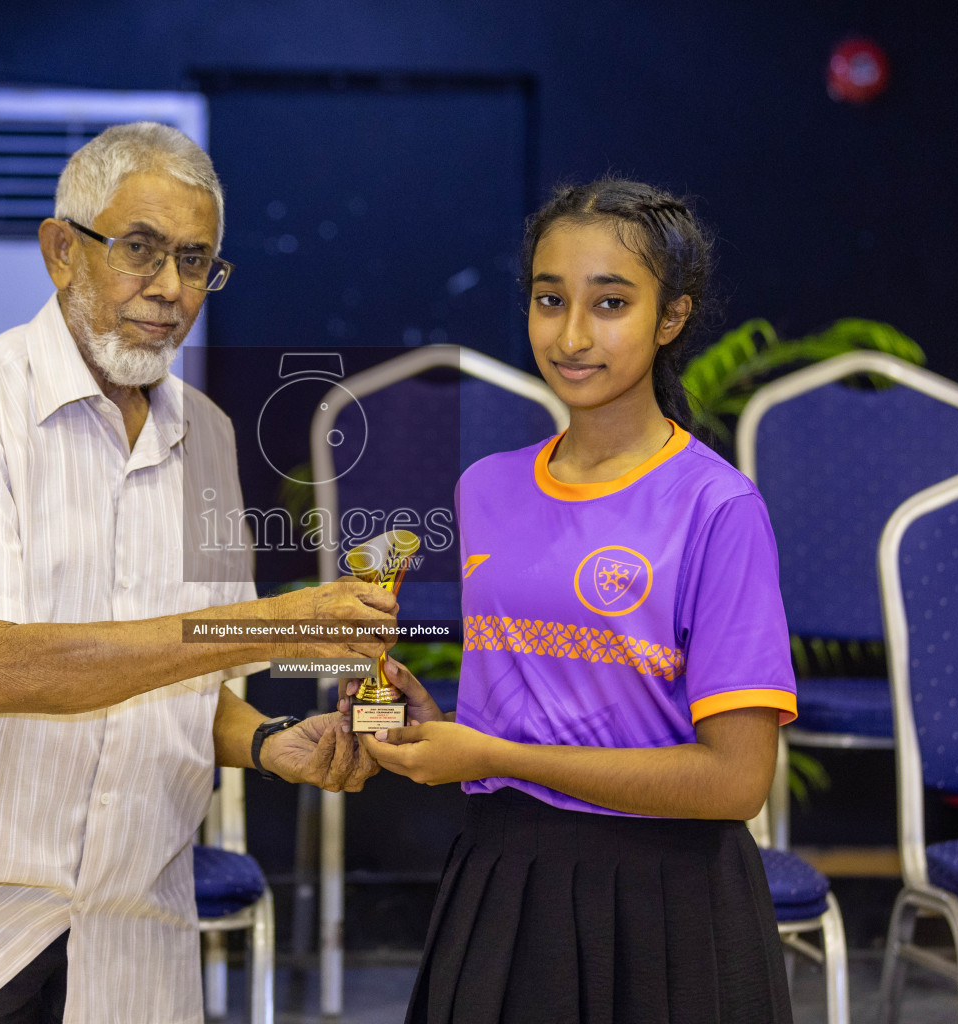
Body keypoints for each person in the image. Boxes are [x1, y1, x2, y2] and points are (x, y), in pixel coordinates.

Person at [0, 122, 388, 1024]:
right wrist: (275, 626)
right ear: (62, 251)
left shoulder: (205, 435)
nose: (169, 289)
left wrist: (268, 742)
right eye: (140, 250)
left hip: (139, 939)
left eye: (197, 261)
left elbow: (179, 681)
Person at [353, 178, 798, 1024]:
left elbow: (736, 782)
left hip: (669, 900)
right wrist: (431, 718)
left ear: (671, 319)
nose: (572, 334)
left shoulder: (718, 507)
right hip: (504, 882)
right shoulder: (486, 487)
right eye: (550, 299)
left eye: (612, 303)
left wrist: (496, 757)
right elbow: (539, 703)